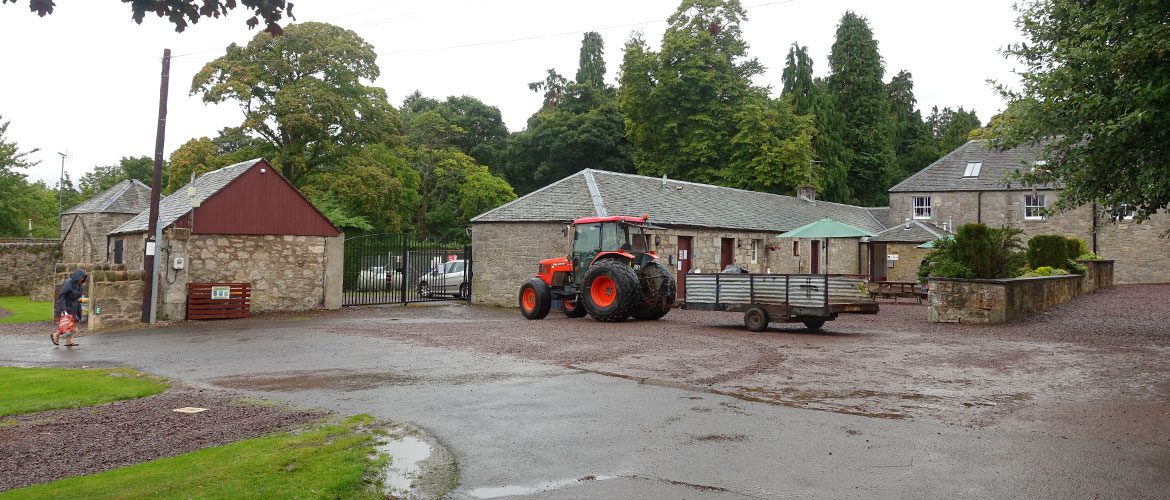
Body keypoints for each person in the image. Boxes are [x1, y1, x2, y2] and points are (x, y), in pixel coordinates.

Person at [52, 269, 87, 347]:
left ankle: (68, 341)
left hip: (76, 306)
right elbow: (62, 296)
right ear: (77, 276)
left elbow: (78, 295)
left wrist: (79, 299)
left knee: (74, 323)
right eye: (81, 277)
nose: (82, 279)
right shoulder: (68, 284)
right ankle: (56, 335)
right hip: (67, 306)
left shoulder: (79, 284)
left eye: (83, 278)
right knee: (67, 324)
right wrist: (63, 310)